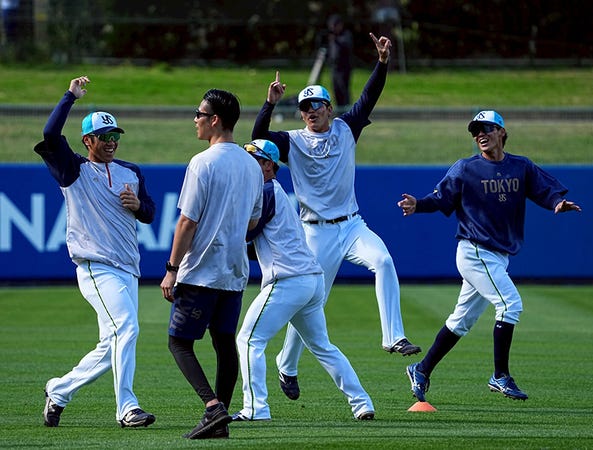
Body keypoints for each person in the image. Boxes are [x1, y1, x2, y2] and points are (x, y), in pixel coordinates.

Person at [252, 33, 420, 402]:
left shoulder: (346, 127)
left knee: (383, 260)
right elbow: (258, 138)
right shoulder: (292, 140)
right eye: (305, 107)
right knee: (309, 302)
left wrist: (382, 62)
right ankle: (286, 364)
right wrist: (269, 103)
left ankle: (393, 337)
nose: (310, 111)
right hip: (315, 233)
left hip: (352, 224)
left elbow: (369, 97)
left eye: (317, 105)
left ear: (330, 108)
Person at [399, 110, 582, 403]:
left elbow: (544, 189)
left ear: (501, 132)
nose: (480, 135)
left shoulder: (520, 166)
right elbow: (441, 198)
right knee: (510, 304)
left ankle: (421, 369)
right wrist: (418, 204)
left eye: (486, 128)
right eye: (475, 131)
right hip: (474, 250)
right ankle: (500, 375)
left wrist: (557, 202)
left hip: (498, 255)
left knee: (461, 321)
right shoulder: (466, 168)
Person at [35, 76, 156, 428]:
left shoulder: (130, 172)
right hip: (96, 266)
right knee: (127, 328)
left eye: (115, 135)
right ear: (87, 140)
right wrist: (69, 97)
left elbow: (150, 213)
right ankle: (127, 408)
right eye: (104, 136)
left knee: (111, 344)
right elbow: (50, 133)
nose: (111, 142)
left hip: (128, 268)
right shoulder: (73, 170)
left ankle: (59, 390)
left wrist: (138, 206)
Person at [234, 139, 375, 422]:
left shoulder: (265, 191)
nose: (248, 165)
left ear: (269, 165)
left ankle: (255, 409)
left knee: (249, 339)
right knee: (323, 346)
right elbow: (256, 245)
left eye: (254, 160)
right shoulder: (274, 192)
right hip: (311, 280)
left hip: (289, 280)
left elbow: (245, 233)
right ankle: (362, 403)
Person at [160, 89, 263, 440]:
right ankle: (220, 421)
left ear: (215, 120)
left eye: (199, 114)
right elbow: (253, 222)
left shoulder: (202, 162)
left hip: (202, 269)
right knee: (224, 343)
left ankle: (212, 407)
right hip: (234, 272)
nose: (195, 120)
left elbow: (187, 222)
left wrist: (172, 268)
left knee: (179, 342)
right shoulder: (251, 165)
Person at [326, 14, 353, 108]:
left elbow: (346, 45)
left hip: (343, 68)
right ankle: (339, 109)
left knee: (343, 90)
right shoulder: (332, 37)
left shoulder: (346, 35)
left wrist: (336, 39)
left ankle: (346, 110)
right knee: (336, 90)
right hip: (334, 67)